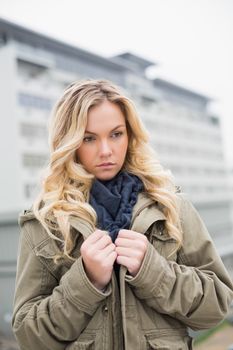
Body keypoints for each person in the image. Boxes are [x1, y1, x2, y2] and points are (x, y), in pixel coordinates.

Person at [12, 79, 233, 350]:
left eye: (116, 134)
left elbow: (217, 305)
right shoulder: (45, 223)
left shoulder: (171, 206)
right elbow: (27, 335)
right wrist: (87, 280)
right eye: (89, 138)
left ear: (130, 135)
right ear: (69, 142)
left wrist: (152, 271)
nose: (106, 151)